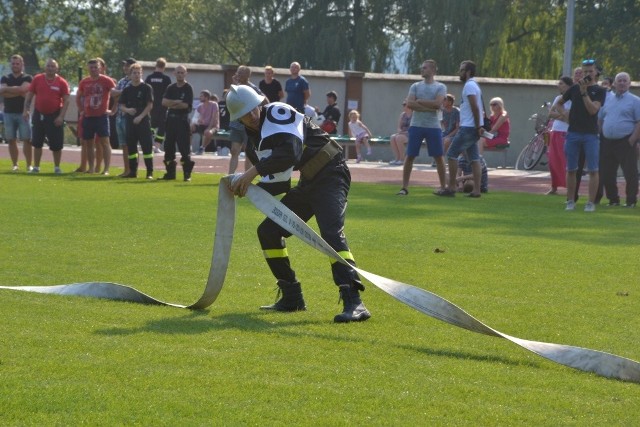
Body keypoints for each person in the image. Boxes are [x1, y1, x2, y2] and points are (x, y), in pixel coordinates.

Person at [226, 84, 371, 323]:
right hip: (308, 182)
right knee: (269, 232)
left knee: (331, 233)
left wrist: (251, 174)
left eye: (254, 108)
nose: (253, 115)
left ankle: (354, 301)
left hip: (331, 173)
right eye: (246, 113)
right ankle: (292, 296)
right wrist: (248, 190)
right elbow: (278, 185)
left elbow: (290, 153)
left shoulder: (277, 111)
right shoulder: (253, 144)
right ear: (237, 118)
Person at [554, 59, 607, 212]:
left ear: (596, 72)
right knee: (571, 169)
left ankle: (590, 203)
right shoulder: (574, 89)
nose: (587, 74)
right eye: (584, 71)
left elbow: (593, 110)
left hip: (591, 135)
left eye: (590, 71)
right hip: (573, 134)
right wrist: (565, 115)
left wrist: (584, 91)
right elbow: (559, 102)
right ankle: (570, 201)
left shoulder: (600, 91)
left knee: (593, 170)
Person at [398, 59, 447, 196]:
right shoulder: (415, 86)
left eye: (425, 68)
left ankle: (443, 187)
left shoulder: (440, 87)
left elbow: (438, 104)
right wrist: (428, 107)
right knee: (410, 156)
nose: (422, 70)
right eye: (422, 67)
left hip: (434, 127)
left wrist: (419, 102)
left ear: (433, 70)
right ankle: (404, 187)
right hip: (416, 125)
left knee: (438, 157)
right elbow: (410, 104)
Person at [440, 60, 484, 198]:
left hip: (468, 128)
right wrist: (480, 126)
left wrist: (477, 126)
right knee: (474, 159)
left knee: (451, 155)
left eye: (462, 70)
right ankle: (476, 190)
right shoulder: (475, 85)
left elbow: (475, 107)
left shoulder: (469, 86)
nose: (459, 73)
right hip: (472, 128)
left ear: (468, 72)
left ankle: (451, 187)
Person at [597, 72, 640, 207]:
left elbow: (639, 122)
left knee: (630, 173)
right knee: (607, 173)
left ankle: (631, 201)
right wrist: (602, 134)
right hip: (607, 142)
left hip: (625, 141)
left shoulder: (635, 101)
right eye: (619, 81)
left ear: (629, 84)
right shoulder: (607, 99)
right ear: (614, 84)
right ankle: (613, 199)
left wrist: (633, 139)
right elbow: (600, 118)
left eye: (624, 81)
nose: (621, 83)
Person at [22, 58, 70, 174]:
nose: (50, 68)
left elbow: (67, 100)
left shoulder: (62, 82)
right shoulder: (37, 79)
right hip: (39, 114)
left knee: (56, 144)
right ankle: (36, 167)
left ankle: (57, 167)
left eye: (53, 66)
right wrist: (26, 110)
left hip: (55, 115)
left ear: (57, 68)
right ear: (45, 67)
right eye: (48, 66)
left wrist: (61, 117)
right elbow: (29, 95)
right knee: (37, 142)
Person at [76, 58, 116, 174]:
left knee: (104, 142)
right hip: (88, 116)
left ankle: (106, 169)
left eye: (96, 67)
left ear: (100, 68)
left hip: (101, 116)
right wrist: (81, 110)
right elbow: (78, 96)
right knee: (88, 143)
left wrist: (113, 110)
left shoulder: (107, 81)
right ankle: (91, 168)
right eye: (91, 67)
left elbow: (116, 95)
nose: (93, 70)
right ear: (88, 68)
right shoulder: (84, 82)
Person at [118, 63, 155, 179]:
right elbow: (121, 106)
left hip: (143, 122)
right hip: (130, 122)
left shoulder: (146, 88)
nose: (136, 75)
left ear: (141, 74)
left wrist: (141, 116)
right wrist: (128, 110)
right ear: (130, 74)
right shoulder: (127, 90)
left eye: (139, 73)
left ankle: (149, 172)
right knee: (132, 148)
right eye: (134, 73)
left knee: (147, 148)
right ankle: (133, 172)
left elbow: (150, 105)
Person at [161, 64, 195, 181]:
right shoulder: (171, 87)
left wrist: (173, 103)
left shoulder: (188, 88)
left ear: (185, 74)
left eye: (182, 72)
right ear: (174, 73)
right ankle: (170, 173)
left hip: (182, 120)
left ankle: (187, 175)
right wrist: (176, 102)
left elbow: (186, 105)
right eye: (178, 72)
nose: (180, 74)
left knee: (184, 148)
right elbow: (164, 102)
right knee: (168, 146)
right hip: (170, 120)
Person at [228, 65, 263, 174]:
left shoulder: (252, 88)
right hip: (236, 125)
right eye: (238, 72)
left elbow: (263, 100)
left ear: (248, 75)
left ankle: (246, 175)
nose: (238, 75)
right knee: (234, 150)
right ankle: (230, 175)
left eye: (241, 73)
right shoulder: (235, 87)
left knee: (249, 152)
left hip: (248, 125)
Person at [1, 54, 33, 172]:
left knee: (27, 139)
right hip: (8, 113)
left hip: (23, 113)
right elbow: (2, 92)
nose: (15, 65)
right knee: (11, 139)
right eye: (13, 63)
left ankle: (29, 165)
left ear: (22, 64)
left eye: (17, 63)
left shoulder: (28, 77)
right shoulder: (5, 77)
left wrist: (8, 90)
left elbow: (24, 90)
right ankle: (15, 164)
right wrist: (19, 91)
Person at [546, 76, 573, 195]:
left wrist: (563, 116)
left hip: (566, 132)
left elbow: (572, 117)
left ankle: (569, 188)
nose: (559, 85)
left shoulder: (574, 99)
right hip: (555, 131)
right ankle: (554, 187)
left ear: (568, 86)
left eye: (561, 83)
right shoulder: (558, 98)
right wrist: (562, 116)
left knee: (564, 161)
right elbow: (550, 114)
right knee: (553, 160)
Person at [111, 58, 136, 177]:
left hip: (129, 117)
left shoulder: (136, 81)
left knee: (131, 144)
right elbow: (114, 95)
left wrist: (120, 93)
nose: (125, 68)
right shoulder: (122, 81)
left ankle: (133, 170)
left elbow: (129, 95)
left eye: (127, 65)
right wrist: (122, 93)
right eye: (125, 66)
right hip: (119, 116)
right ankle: (126, 170)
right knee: (123, 145)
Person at [145, 57, 172, 153]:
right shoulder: (166, 79)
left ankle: (147, 143)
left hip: (150, 105)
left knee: (150, 125)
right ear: (164, 67)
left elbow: (145, 92)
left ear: (156, 65)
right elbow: (169, 93)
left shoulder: (149, 78)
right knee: (162, 126)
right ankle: (156, 147)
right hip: (163, 106)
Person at [192, 90, 219, 155]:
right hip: (202, 126)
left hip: (213, 126)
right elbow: (194, 118)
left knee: (207, 132)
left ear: (206, 97)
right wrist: (197, 121)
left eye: (201, 96)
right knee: (190, 128)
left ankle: (202, 148)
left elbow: (214, 118)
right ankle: (189, 148)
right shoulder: (200, 106)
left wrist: (209, 128)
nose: (200, 97)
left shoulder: (214, 104)